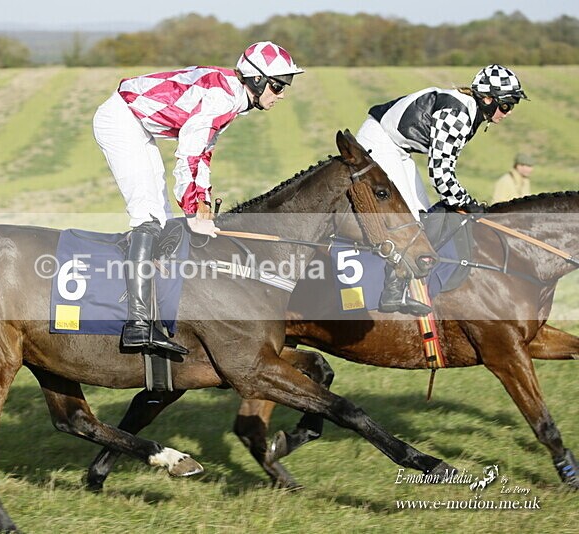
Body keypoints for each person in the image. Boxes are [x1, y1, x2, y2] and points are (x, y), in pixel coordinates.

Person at [93, 41, 304, 355]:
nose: (282, 94)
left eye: (285, 86)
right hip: (121, 120)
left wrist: (202, 202)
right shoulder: (223, 99)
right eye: (277, 86)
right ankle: (137, 324)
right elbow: (189, 155)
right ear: (256, 80)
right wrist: (195, 209)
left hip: (136, 124)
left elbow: (203, 155)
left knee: (160, 217)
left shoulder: (231, 96)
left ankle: (157, 312)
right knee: (148, 216)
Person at [355, 64, 527, 316]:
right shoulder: (458, 114)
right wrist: (467, 202)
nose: (508, 112)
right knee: (411, 219)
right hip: (380, 140)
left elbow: (443, 174)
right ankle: (391, 290)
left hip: (398, 147)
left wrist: (464, 202)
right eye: (506, 105)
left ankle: (403, 285)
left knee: (424, 215)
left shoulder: (468, 111)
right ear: (487, 99)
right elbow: (441, 175)